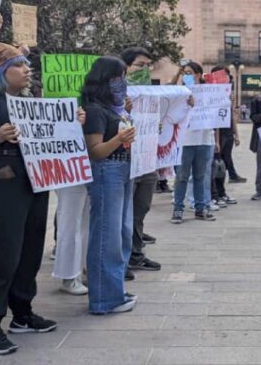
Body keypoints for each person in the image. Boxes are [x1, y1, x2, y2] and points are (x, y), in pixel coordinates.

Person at [0, 42, 61, 355]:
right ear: (2, 71)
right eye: (19, 65)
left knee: (30, 248)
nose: (27, 70)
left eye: (26, 65)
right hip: (0, 181)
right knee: (2, 251)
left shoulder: (29, 101)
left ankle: (22, 310)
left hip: (35, 177)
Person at [81, 56, 138, 314]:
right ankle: (103, 298)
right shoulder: (94, 110)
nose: (123, 83)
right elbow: (95, 151)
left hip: (124, 170)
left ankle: (114, 289)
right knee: (107, 235)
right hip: (107, 171)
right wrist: (119, 138)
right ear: (105, 80)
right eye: (118, 77)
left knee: (121, 232)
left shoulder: (117, 110)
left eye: (125, 77)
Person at [120, 47, 162, 272]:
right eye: (140, 65)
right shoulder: (115, 92)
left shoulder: (150, 93)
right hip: (125, 160)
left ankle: (135, 253)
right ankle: (121, 258)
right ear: (126, 66)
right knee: (123, 212)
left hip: (146, 159)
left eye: (148, 65)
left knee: (140, 209)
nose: (145, 69)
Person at [171, 61, 215, 224]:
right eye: (184, 73)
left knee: (200, 176)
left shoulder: (208, 92)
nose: (186, 76)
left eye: (189, 72)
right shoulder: (179, 93)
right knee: (182, 176)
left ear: (197, 74)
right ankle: (178, 209)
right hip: (185, 140)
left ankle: (200, 208)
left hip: (204, 139)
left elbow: (216, 111)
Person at [211, 66, 246, 183]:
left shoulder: (228, 94)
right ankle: (219, 181)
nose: (226, 78)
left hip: (228, 130)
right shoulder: (210, 94)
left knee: (227, 155)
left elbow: (231, 115)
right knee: (218, 158)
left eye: (227, 75)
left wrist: (236, 134)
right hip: (218, 131)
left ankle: (231, 175)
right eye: (223, 75)